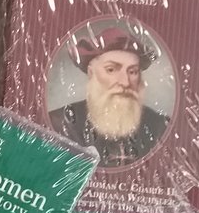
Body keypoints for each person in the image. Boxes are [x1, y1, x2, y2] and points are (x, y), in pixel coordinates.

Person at [48, 27, 170, 167]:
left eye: (133, 72)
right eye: (111, 69)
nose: (125, 82)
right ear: (91, 73)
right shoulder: (59, 124)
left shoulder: (160, 126)